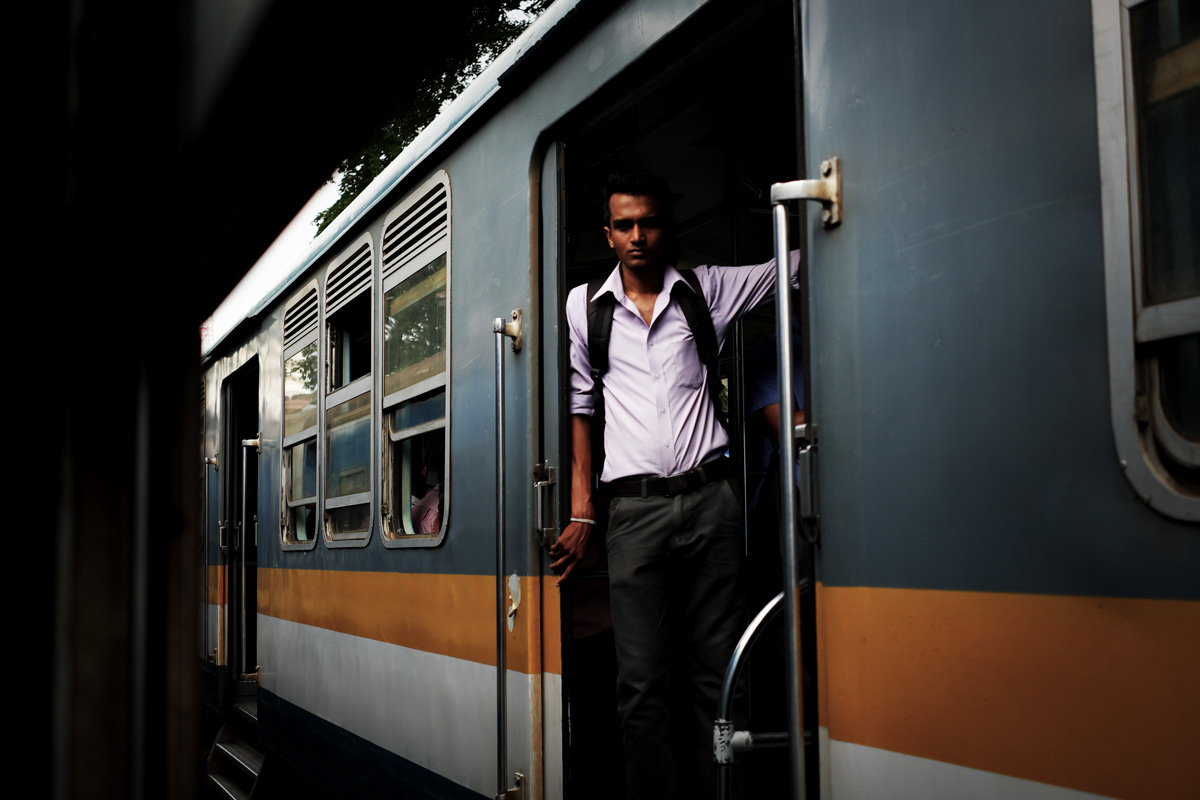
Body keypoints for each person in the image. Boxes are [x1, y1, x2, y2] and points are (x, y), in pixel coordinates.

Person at [550, 169, 798, 800]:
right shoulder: (583, 309)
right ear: (608, 234)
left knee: (720, 679)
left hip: (712, 502)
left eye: (650, 222)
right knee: (640, 684)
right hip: (632, 514)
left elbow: (793, 267)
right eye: (625, 225)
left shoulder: (705, 291)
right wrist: (583, 512)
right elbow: (581, 410)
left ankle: (724, 792)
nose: (638, 236)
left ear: (668, 228)